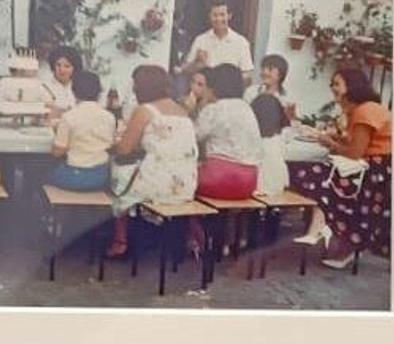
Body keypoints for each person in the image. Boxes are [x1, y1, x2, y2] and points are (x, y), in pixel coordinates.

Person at [290, 68, 393, 268]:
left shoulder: (364, 111)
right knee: (318, 175)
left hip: (376, 172)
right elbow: (356, 142)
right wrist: (334, 138)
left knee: (310, 174)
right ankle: (323, 229)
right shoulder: (362, 109)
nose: (332, 88)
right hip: (371, 168)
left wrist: (330, 143)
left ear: (351, 85)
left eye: (337, 83)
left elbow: (355, 152)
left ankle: (335, 235)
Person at [108, 64, 198, 257]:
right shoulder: (182, 111)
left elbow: (124, 149)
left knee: (117, 174)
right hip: (186, 185)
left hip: (157, 184)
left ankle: (120, 239)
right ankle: (190, 235)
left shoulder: (145, 110)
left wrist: (111, 144)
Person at [191, 63, 264, 200]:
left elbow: (192, 137)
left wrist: (189, 108)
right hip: (249, 181)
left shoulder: (214, 109)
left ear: (213, 87)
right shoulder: (246, 108)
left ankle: (194, 221)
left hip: (219, 178)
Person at [47, 70, 115, 192]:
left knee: (39, 174)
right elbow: (110, 144)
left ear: (73, 91)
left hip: (75, 176)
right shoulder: (109, 117)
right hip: (101, 177)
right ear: (99, 92)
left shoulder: (69, 117)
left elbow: (58, 152)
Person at [184, 3, 255, 87]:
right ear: (209, 16)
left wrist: (231, 83)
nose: (218, 19)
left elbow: (247, 74)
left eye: (222, 15)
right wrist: (197, 62)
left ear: (229, 16)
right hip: (205, 92)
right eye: (215, 15)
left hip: (229, 92)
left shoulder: (241, 42)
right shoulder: (200, 40)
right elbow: (186, 72)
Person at [249, 53, 297, 122]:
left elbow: (292, 124)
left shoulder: (288, 98)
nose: (264, 72)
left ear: (280, 74)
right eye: (263, 68)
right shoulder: (251, 92)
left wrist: (291, 117)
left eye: (270, 69)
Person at [44, 46, 82, 114]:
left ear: (74, 68)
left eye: (67, 66)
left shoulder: (79, 87)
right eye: (58, 65)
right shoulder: (44, 87)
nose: (62, 70)